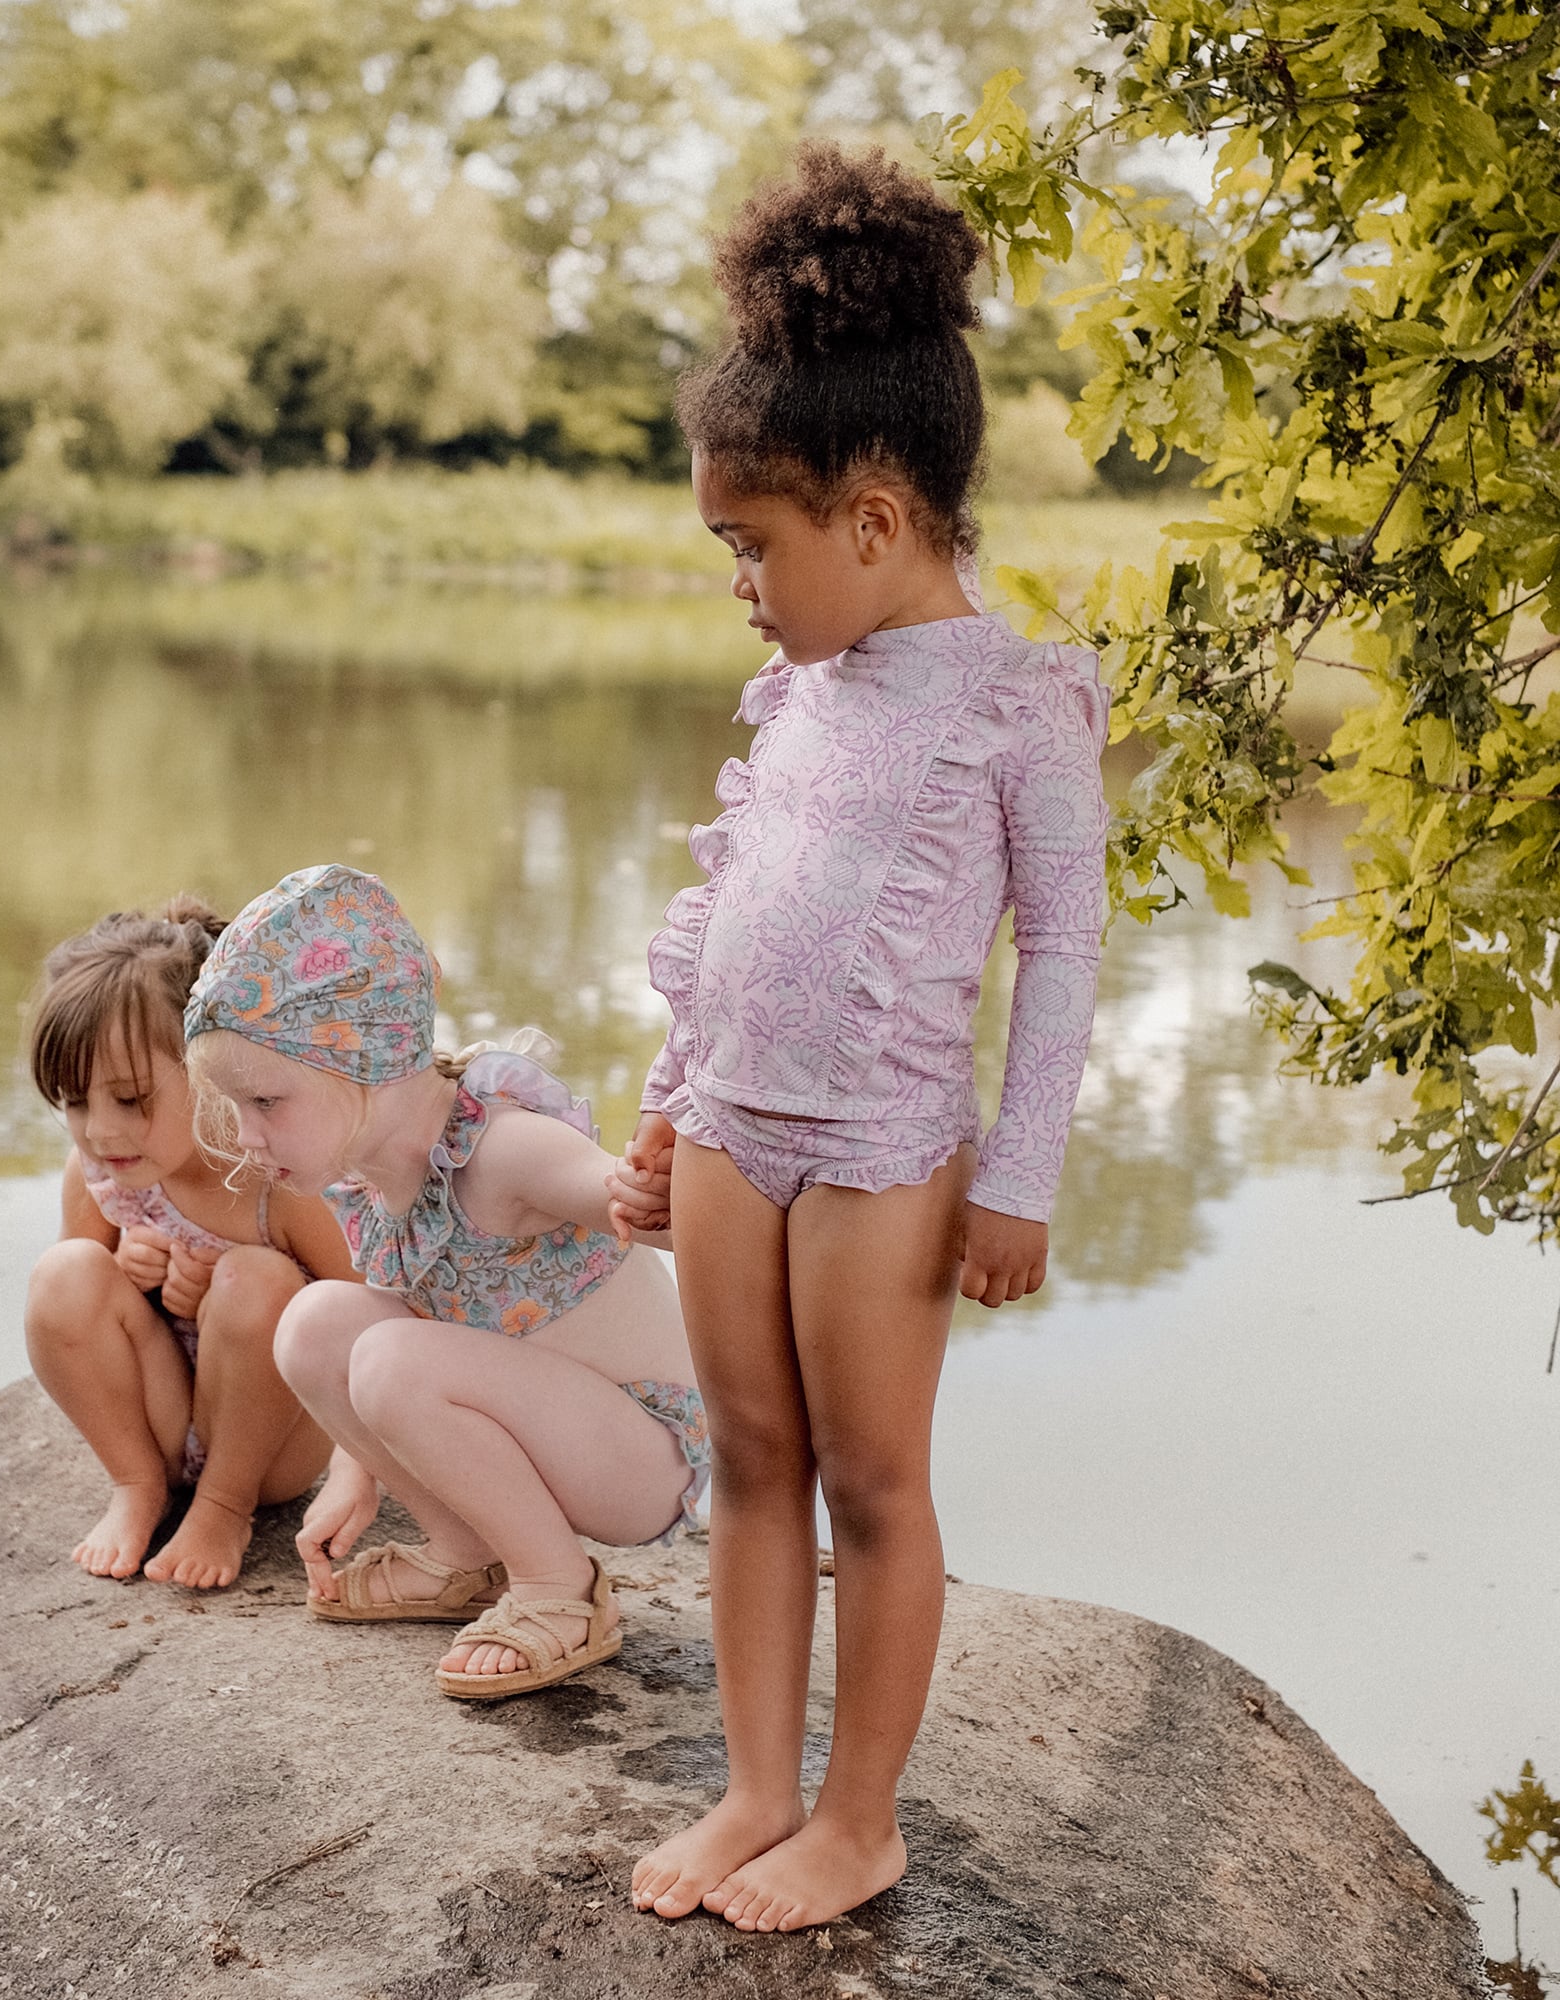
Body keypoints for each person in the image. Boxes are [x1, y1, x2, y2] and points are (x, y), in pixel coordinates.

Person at [612, 146, 1110, 1934]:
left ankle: (858, 1817)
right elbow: (736, 910)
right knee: (749, 1455)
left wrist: (1022, 1180)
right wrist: (671, 1111)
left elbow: (1061, 950)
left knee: (873, 1481)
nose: (740, 583)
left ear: (878, 519)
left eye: (754, 545)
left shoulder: (1022, 708)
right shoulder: (802, 694)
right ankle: (754, 1786)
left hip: (888, 1152)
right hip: (742, 1123)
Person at [182, 863, 707, 1700]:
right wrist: (359, 1471)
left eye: (266, 1101)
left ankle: (559, 1589)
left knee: (394, 1358)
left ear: (365, 1060)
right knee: (314, 1322)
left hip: (640, 1454)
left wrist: (649, 1193)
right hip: (540, 1428)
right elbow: (399, 1324)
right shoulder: (370, 1181)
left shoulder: (500, 1150)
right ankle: (467, 1555)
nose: (246, 1136)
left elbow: (648, 1211)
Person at [23, 898, 358, 1590]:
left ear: (210, 1070)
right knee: (66, 1272)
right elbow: (74, 1323)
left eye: (130, 1099)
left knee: (256, 1280)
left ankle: (223, 1507)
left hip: (267, 1442)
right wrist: (132, 1277)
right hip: (162, 1414)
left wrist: (227, 1299)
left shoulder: (279, 1180)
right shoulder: (99, 1176)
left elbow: (370, 1319)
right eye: (76, 1103)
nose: (101, 1133)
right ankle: (138, 1485)